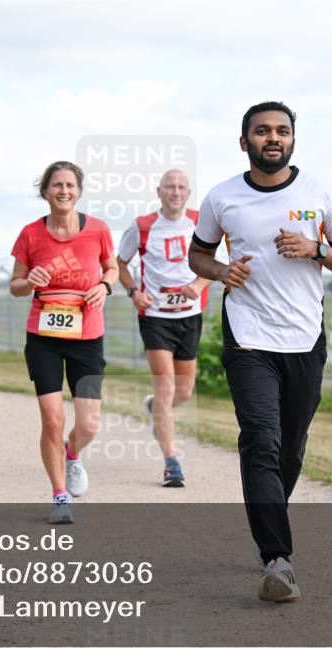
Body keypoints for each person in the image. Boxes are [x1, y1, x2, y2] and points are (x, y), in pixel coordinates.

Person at [188, 101, 332, 603]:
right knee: (260, 439)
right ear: (244, 142)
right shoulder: (223, 197)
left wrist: (316, 250)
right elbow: (199, 254)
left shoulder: (320, 191)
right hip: (247, 335)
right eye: (261, 131)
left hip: (305, 336)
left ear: (292, 140)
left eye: (281, 131)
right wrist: (221, 272)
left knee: (290, 444)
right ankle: (277, 561)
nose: (272, 138)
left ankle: (268, 513)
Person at [9, 160, 117, 525]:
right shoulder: (29, 234)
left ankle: (73, 454)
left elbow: (112, 267)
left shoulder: (98, 229)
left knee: (89, 425)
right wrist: (30, 282)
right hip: (44, 336)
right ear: (45, 192)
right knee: (52, 420)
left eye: (70, 185)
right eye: (57, 185)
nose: (64, 191)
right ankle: (59, 496)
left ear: (79, 191)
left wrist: (105, 286)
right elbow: (14, 286)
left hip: (87, 335)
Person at [116, 169, 210, 488]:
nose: (176, 192)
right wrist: (133, 292)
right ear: (159, 192)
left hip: (190, 315)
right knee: (167, 387)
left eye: (182, 187)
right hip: (155, 316)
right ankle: (172, 464)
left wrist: (199, 283)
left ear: (188, 192)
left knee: (183, 391)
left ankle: (155, 410)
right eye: (170, 187)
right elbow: (119, 264)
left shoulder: (201, 222)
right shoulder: (142, 226)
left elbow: (216, 263)